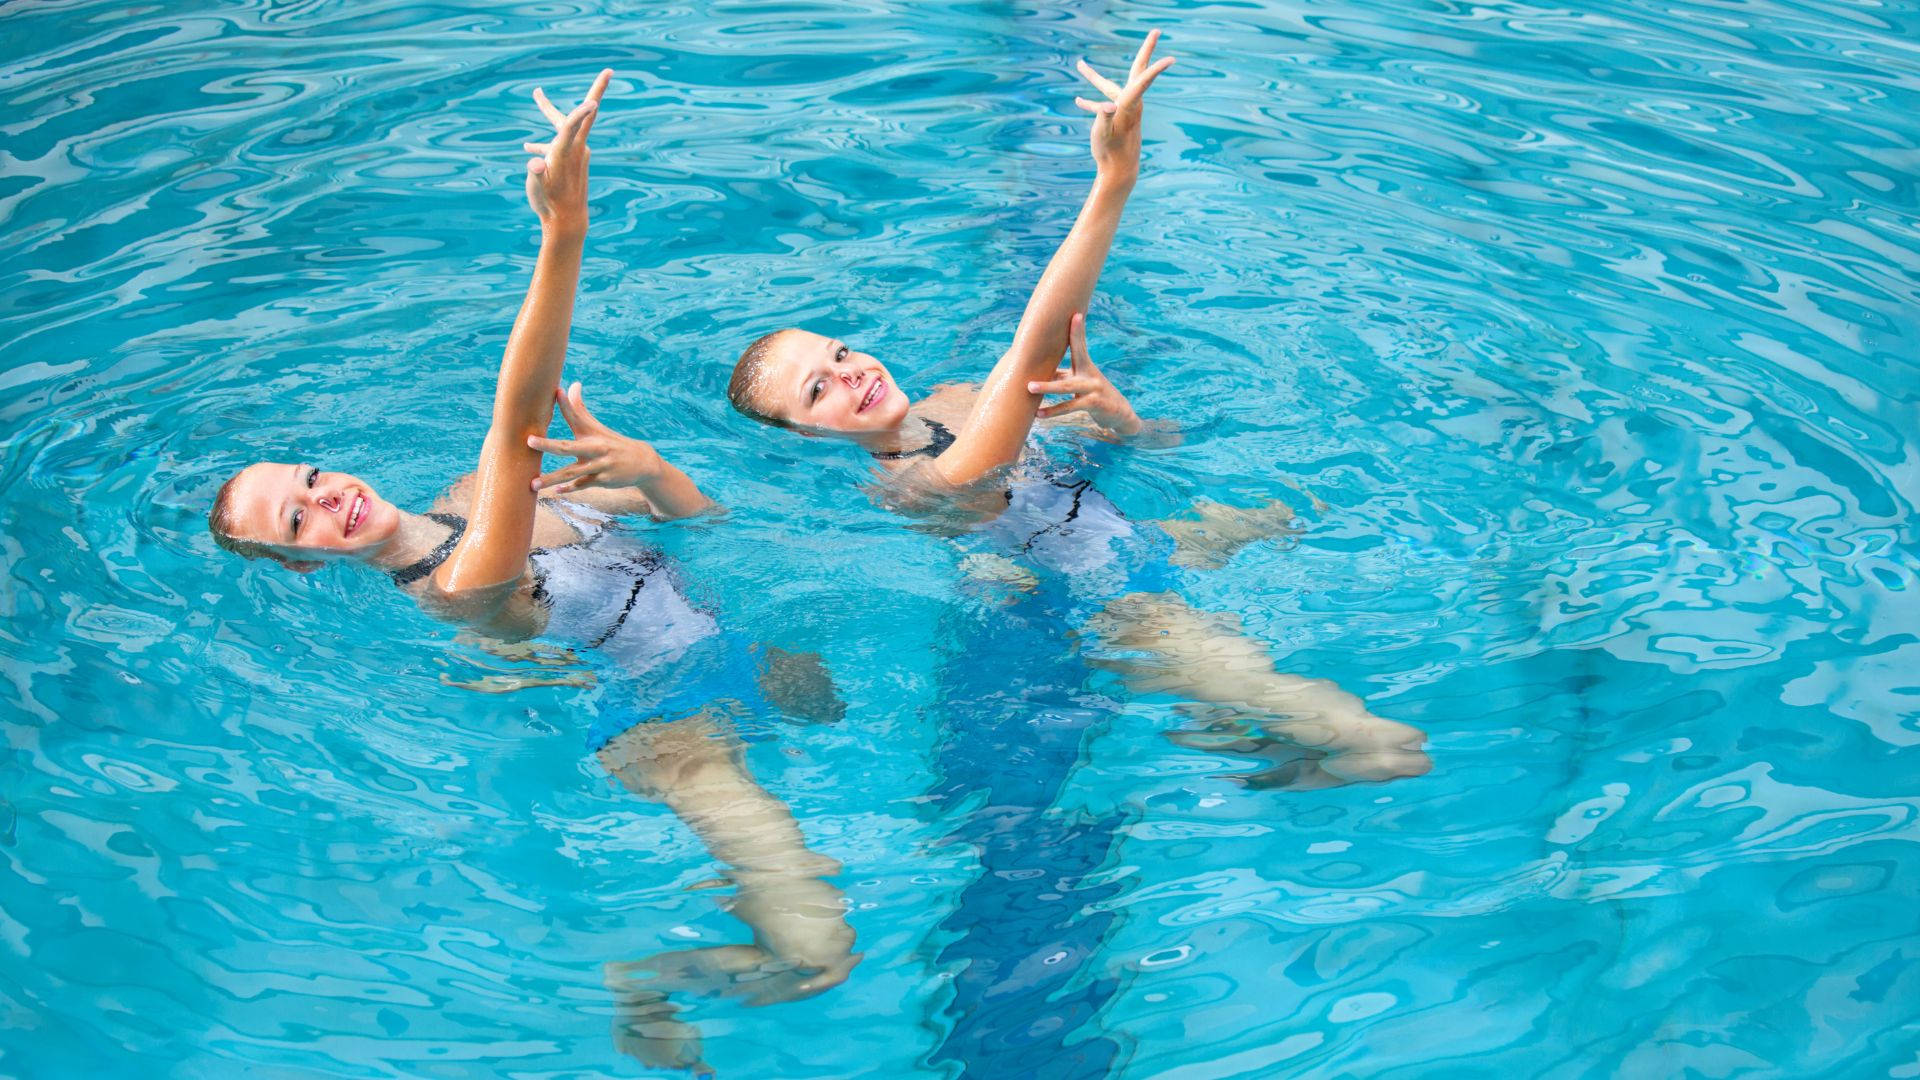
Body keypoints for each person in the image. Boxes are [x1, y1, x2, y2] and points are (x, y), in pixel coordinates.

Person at [202, 71, 857, 1068]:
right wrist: (564, 235)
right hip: (672, 734)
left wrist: (654, 472)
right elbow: (518, 420)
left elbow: (701, 519)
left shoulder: (473, 494)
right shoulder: (465, 582)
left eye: (313, 476)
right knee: (819, 956)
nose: (329, 496)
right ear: (300, 564)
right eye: (301, 519)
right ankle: (648, 982)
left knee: (839, 717)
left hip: (739, 652)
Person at [704, 31, 1428, 785]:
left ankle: (1232, 738)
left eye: (841, 352)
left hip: (1153, 540)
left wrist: (1120, 419)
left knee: (1296, 510)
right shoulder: (911, 489)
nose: (849, 374)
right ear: (805, 436)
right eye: (817, 389)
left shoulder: (957, 399)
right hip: (1124, 610)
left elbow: (1145, 443)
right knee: (1387, 747)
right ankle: (1261, 757)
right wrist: (1113, 183)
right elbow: (1035, 348)